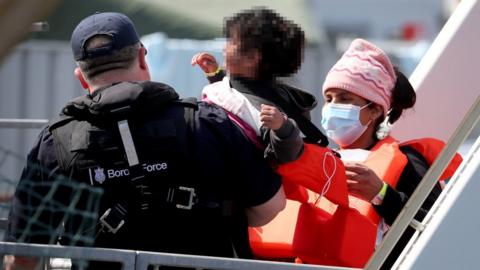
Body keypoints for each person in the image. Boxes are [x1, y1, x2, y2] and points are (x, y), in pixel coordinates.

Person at [5, 12, 286, 270]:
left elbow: (23, 255)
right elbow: (270, 208)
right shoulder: (207, 121)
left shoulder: (55, 142)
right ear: (142, 58)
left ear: (81, 78)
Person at [320, 38, 461, 268]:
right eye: (329, 99)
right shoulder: (324, 160)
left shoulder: (408, 161)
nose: (332, 106)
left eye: (345, 99)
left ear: (375, 110)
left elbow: (438, 226)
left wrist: (382, 194)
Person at [192, 7, 328, 166]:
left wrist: (282, 129)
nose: (224, 47)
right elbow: (234, 99)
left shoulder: (265, 108)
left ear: (252, 58)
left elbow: (289, 155)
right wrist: (215, 75)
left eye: (231, 42)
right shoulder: (273, 94)